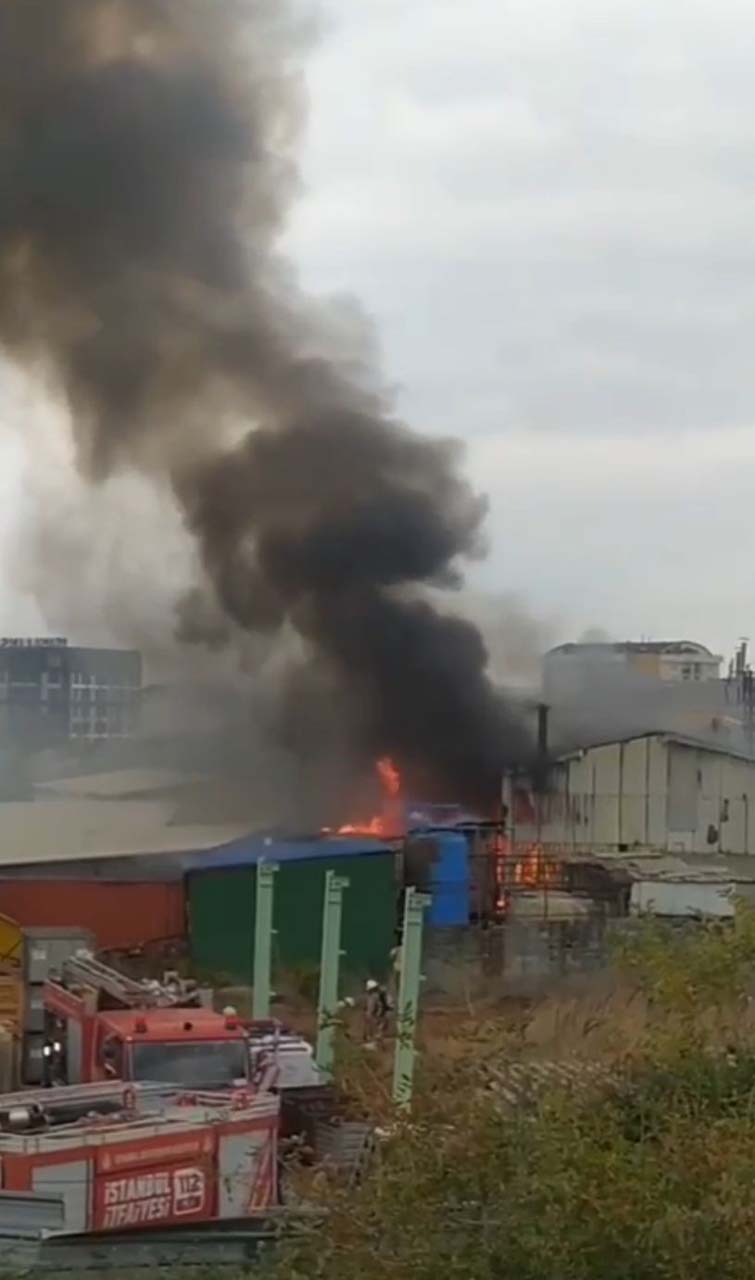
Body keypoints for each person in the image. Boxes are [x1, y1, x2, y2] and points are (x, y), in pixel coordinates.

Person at [363, 978, 390, 1044]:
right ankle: (376, 1036)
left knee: (369, 1018)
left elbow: (371, 1009)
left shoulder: (373, 997)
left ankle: (372, 1036)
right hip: (381, 1015)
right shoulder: (380, 995)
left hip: (378, 1016)